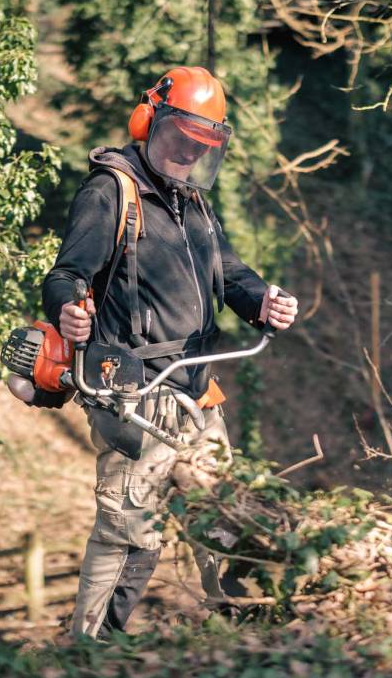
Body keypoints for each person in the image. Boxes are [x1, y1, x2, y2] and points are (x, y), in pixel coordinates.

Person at [41, 66, 298, 638]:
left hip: (196, 392)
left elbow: (228, 270)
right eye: (181, 138)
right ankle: (90, 651)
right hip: (135, 393)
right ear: (149, 122)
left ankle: (247, 638)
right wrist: (69, 309)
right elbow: (66, 274)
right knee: (131, 535)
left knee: (226, 517)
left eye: (201, 144)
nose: (189, 153)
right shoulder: (111, 192)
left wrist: (263, 301)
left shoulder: (194, 202)